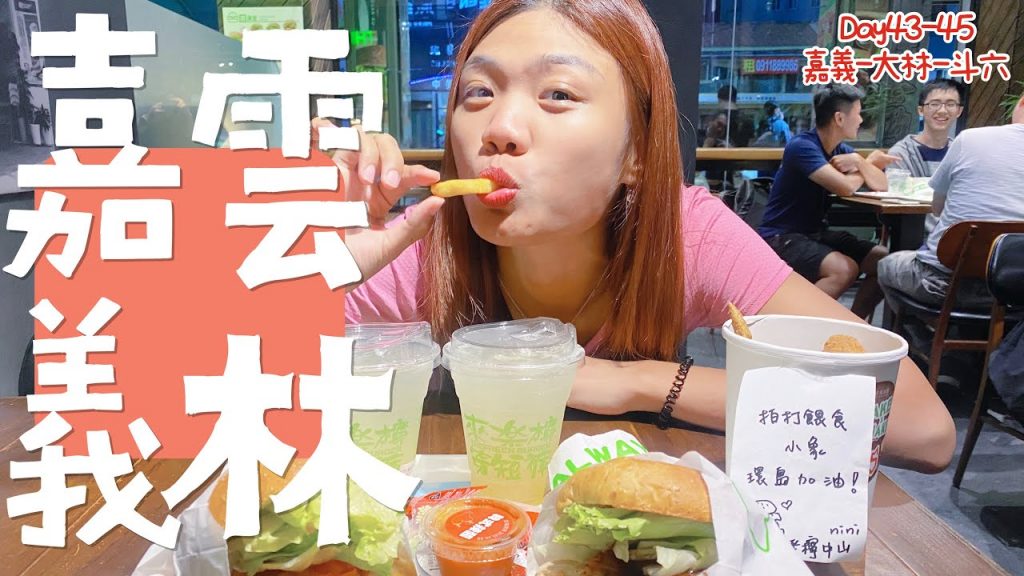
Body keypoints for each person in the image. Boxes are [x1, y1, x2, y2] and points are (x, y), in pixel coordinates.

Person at [322, 0, 953, 473]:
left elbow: (919, 426)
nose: (500, 128)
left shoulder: (687, 235)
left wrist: (640, 381)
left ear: (637, 153)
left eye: (558, 94)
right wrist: (320, 255)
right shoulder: (429, 248)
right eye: (478, 92)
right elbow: (263, 383)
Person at [758, 83, 897, 320]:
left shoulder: (840, 149)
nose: (861, 120)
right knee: (843, 269)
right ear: (839, 118)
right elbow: (845, 187)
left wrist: (861, 163)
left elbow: (881, 184)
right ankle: (788, 327)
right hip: (781, 236)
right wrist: (865, 163)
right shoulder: (802, 147)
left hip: (815, 233)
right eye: (858, 113)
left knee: (883, 262)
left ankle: (853, 324)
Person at [878, 93, 1024, 308]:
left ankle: (922, 330)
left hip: (944, 284)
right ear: (921, 109)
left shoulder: (969, 139)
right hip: (1015, 292)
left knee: (886, 265)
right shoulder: (905, 148)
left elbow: (937, 207)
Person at [886, 78, 965, 233]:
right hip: (913, 237)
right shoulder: (900, 154)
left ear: (959, 111)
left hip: (956, 236)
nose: (942, 111)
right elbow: (900, 203)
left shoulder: (962, 153)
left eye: (950, 104)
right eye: (934, 104)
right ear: (920, 110)